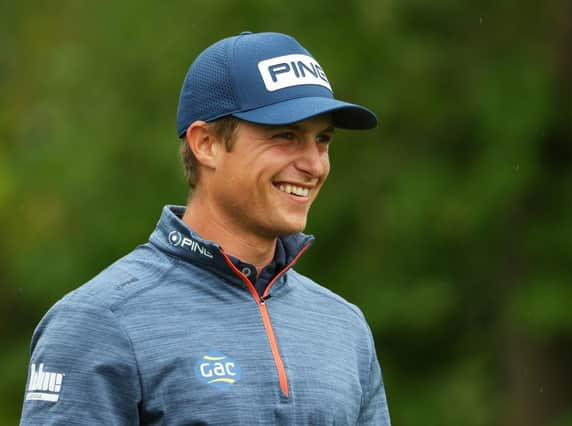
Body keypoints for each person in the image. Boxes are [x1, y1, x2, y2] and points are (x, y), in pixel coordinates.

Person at [20, 31, 390, 425]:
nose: (314, 165)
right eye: (285, 136)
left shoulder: (344, 327)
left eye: (322, 140)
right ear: (206, 143)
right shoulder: (98, 322)